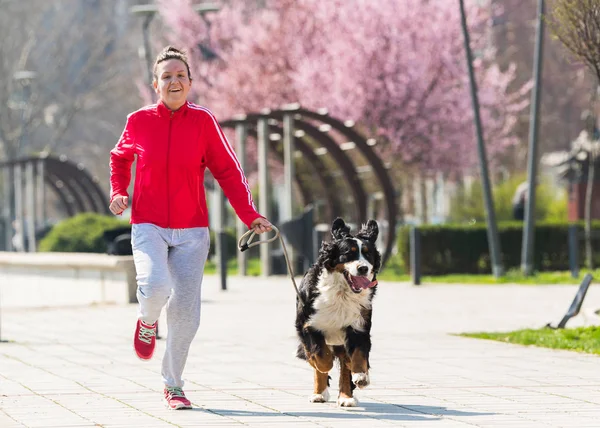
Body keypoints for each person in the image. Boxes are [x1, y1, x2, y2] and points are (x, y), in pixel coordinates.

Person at [109, 46, 272, 410]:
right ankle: (147, 321)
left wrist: (250, 214)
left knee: (185, 310)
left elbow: (228, 171)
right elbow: (119, 158)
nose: (174, 81)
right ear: (156, 85)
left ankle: (174, 384)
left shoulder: (203, 122)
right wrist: (119, 191)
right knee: (154, 287)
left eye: (180, 75)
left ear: (190, 83)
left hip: (192, 230)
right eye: (166, 76)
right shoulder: (138, 121)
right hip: (148, 223)